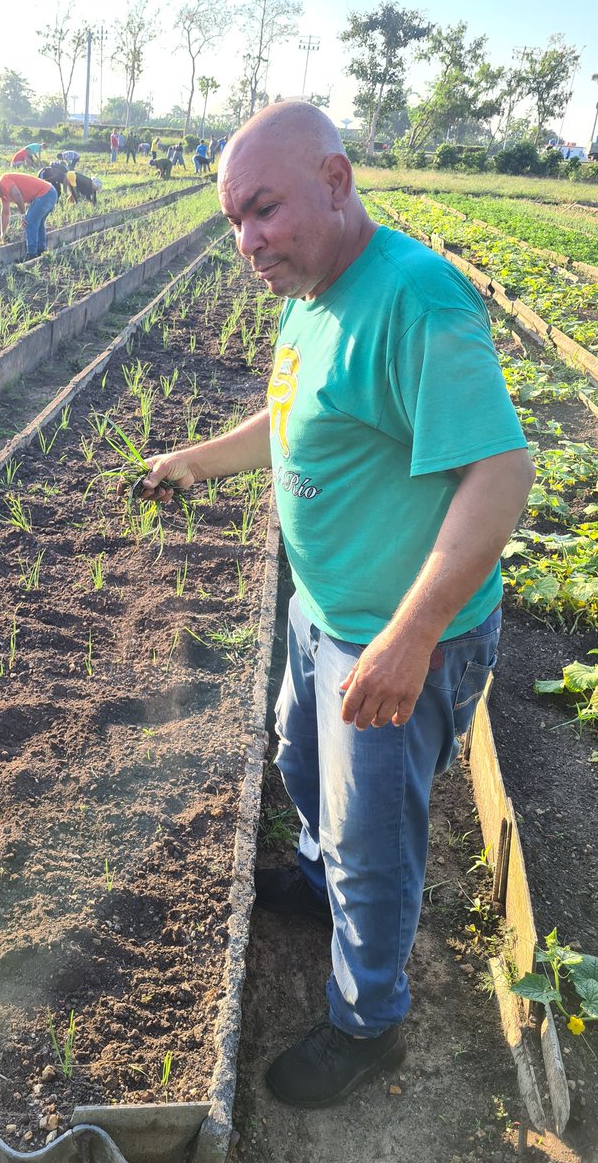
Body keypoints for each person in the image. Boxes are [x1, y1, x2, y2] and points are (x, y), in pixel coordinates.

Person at [136, 102, 534, 1109]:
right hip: (322, 614)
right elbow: (288, 419)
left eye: (263, 210)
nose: (247, 242)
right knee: (298, 765)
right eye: (234, 221)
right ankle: (319, 885)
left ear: (336, 177)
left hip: (399, 639)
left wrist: (411, 636)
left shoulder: (415, 299)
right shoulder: (310, 295)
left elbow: (500, 470)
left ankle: (370, 1024)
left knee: (377, 844)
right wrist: (194, 462)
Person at [0, 172, 58, 260]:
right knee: (37, 223)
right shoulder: (3, 194)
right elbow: (5, 213)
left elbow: (17, 195)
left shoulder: (4, 180)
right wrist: (2, 234)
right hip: (49, 193)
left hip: (46, 193)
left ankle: (31, 255)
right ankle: (41, 251)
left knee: (29, 222)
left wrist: (23, 215)